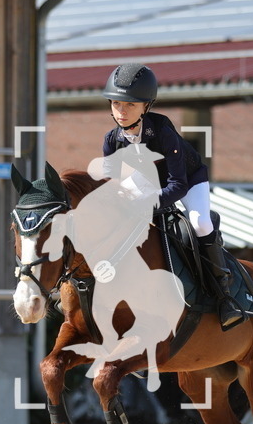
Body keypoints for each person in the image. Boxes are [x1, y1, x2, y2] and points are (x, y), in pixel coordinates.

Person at [100, 62, 243, 329]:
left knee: (200, 223)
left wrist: (147, 204)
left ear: (146, 106)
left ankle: (225, 297)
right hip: (148, 183)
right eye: (117, 104)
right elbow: (112, 185)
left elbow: (177, 185)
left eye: (130, 105)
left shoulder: (162, 132)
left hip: (189, 181)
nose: (121, 111)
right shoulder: (112, 140)